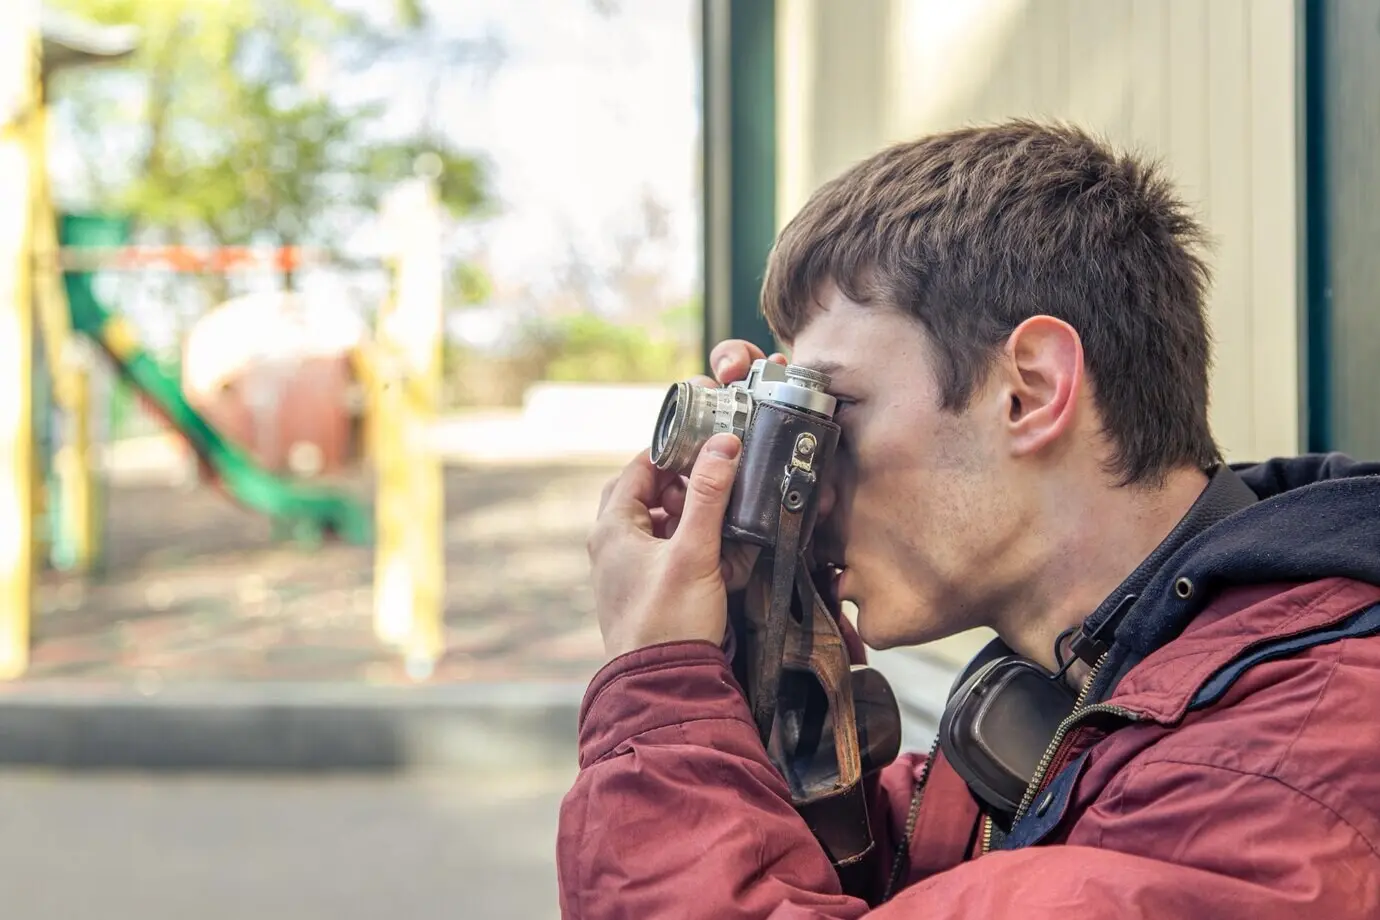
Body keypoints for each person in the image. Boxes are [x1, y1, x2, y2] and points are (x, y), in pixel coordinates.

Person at [556, 120, 1380, 918]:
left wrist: (660, 701)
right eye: (795, 430)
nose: (814, 479)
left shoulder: (1274, 771)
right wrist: (756, 658)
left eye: (835, 409)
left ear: (1029, 389)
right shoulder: (1089, 696)